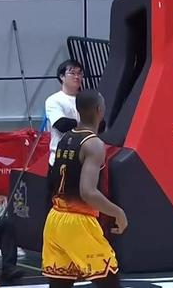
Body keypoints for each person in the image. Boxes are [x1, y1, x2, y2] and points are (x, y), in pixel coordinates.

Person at [42, 89, 127, 286]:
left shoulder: (65, 138)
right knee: (110, 282)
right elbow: (88, 193)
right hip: (78, 221)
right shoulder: (94, 144)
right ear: (99, 110)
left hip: (54, 219)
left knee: (60, 285)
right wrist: (118, 212)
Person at [45, 60, 84, 167]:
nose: (77, 76)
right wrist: (86, 124)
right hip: (61, 158)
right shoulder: (54, 100)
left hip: (84, 157)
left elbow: (100, 124)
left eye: (79, 73)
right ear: (62, 76)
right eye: (72, 73)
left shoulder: (87, 98)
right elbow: (62, 124)